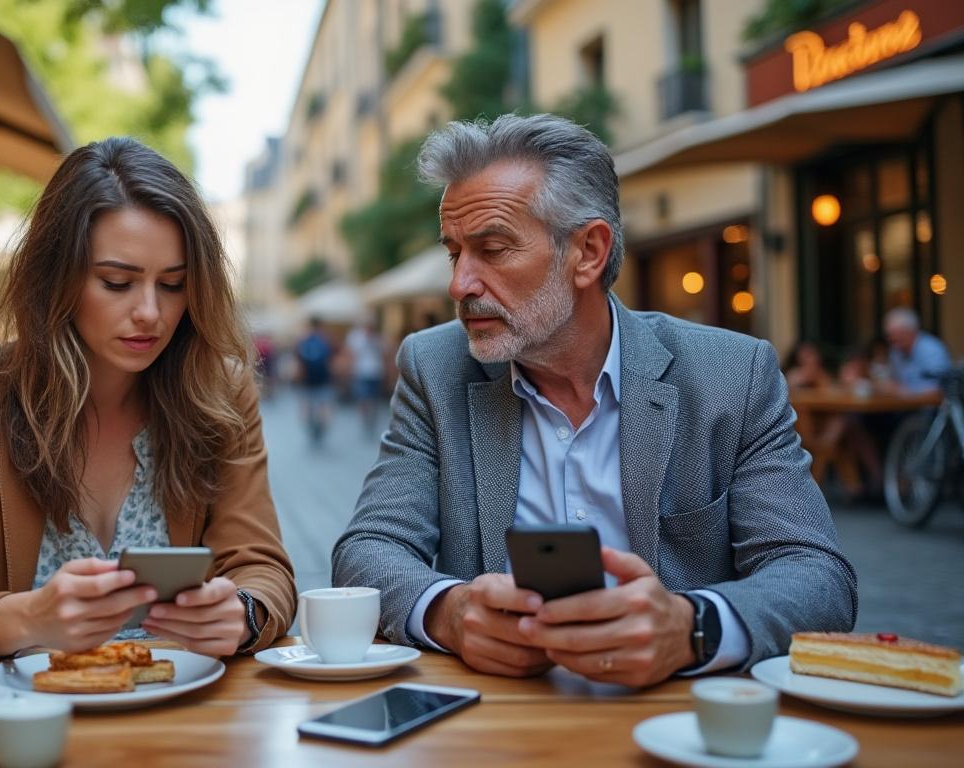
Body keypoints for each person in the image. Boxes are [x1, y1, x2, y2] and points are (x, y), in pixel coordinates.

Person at [332, 113, 855, 688]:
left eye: (493, 249)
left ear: (588, 252)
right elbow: (369, 548)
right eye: (456, 253)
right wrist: (449, 612)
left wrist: (690, 627)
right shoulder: (435, 368)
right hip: (505, 720)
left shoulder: (731, 375)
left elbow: (817, 576)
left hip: (679, 715)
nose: (460, 285)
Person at [0, 138, 296, 659]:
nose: (150, 313)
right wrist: (27, 619)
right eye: (117, 282)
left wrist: (242, 613)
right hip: (17, 720)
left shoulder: (219, 391)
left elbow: (264, 568)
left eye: (174, 284)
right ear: (55, 278)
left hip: (181, 713)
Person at [882, 307, 951, 395]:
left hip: (931, 407)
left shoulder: (930, 349)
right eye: (890, 336)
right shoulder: (896, 350)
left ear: (911, 331)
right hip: (905, 406)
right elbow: (895, 380)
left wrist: (903, 391)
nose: (892, 340)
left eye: (897, 335)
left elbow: (939, 387)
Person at [295, 317, 334, 445]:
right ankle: (320, 429)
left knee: (307, 408)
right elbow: (330, 361)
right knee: (324, 407)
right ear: (321, 326)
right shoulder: (325, 341)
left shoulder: (303, 341)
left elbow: (299, 363)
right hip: (323, 380)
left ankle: (311, 428)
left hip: (307, 381)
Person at [345, 319, 386, 434]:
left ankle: (372, 419)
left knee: (375, 399)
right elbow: (351, 355)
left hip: (376, 373)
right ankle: (365, 419)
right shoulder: (357, 338)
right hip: (362, 373)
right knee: (363, 398)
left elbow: (384, 355)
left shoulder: (379, 339)